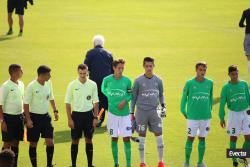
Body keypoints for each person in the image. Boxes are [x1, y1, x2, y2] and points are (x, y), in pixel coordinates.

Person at [130, 57, 166, 167]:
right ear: (143, 66)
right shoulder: (138, 80)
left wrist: (163, 110)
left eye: (151, 66)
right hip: (141, 112)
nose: (149, 68)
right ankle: (142, 163)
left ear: (153, 66)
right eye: (147, 66)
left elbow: (161, 95)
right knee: (142, 136)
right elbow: (133, 97)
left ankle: (161, 162)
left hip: (155, 111)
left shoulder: (159, 80)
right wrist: (131, 113)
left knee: (159, 135)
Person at [24, 65, 59, 167]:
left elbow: (51, 97)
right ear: (42, 75)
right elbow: (26, 104)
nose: (50, 76)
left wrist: (55, 110)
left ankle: (49, 164)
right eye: (48, 75)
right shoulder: (31, 86)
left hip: (45, 117)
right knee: (33, 144)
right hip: (34, 118)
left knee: (50, 142)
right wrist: (28, 120)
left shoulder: (49, 83)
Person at [65, 64, 99, 167]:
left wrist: (95, 117)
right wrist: (69, 119)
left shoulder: (92, 84)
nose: (83, 75)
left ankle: (89, 164)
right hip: (76, 116)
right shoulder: (72, 85)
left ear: (87, 72)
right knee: (75, 140)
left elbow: (96, 102)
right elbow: (67, 103)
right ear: (78, 72)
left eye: (85, 73)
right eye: (81, 73)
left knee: (89, 139)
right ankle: (73, 164)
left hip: (89, 115)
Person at [180, 61, 213, 167]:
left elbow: (210, 99)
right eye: (200, 70)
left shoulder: (210, 83)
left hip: (205, 117)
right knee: (190, 138)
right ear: (196, 70)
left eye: (204, 70)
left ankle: (200, 162)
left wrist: (209, 111)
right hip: (192, 117)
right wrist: (183, 111)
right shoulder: (189, 83)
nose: (202, 72)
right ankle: (186, 162)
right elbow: (183, 99)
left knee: (202, 138)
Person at [102, 59, 132, 167]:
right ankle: (116, 163)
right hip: (112, 114)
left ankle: (128, 164)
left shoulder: (127, 80)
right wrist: (109, 95)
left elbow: (130, 94)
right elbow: (103, 88)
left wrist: (125, 101)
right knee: (114, 138)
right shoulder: (107, 80)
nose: (121, 70)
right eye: (119, 68)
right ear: (114, 68)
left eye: (122, 68)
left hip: (125, 115)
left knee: (126, 138)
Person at [219, 65, 250, 167]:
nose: (235, 75)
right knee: (233, 138)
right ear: (229, 75)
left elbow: (249, 97)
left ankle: (242, 156)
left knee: (248, 137)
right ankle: (234, 162)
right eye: (233, 74)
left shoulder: (244, 84)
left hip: (246, 113)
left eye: (236, 73)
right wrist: (222, 117)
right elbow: (222, 104)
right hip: (233, 115)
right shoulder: (225, 88)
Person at [84, 35, 113, 127]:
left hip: (95, 81)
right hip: (107, 82)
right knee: (106, 100)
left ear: (94, 44)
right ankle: (110, 119)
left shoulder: (90, 53)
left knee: (96, 100)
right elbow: (113, 69)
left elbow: (85, 68)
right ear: (102, 44)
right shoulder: (109, 53)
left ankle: (98, 119)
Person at [0, 64, 24, 167]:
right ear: (14, 72)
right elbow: (0, 105)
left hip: (19, 117)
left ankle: (14, 165)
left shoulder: (21, 84)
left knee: (16, 143)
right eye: (20, 70)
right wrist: (2, 121)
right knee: (7, 144)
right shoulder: (5, 86)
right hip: (8, 118)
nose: (22, 72)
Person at [239, 8, 250, 74]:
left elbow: (240, 24)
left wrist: (246, 25)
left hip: (248, 36)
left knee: (249, 58)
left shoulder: (246, 11)